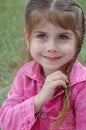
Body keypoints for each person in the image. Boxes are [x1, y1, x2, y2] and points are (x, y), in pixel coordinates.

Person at [0, 0, 86, 130]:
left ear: (77, 40)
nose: (51, 47)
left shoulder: (82, 86)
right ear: (28, 39)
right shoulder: (25, 76)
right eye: (42, 36)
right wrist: (39, 100)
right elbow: (5, 123)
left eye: (63, 37)